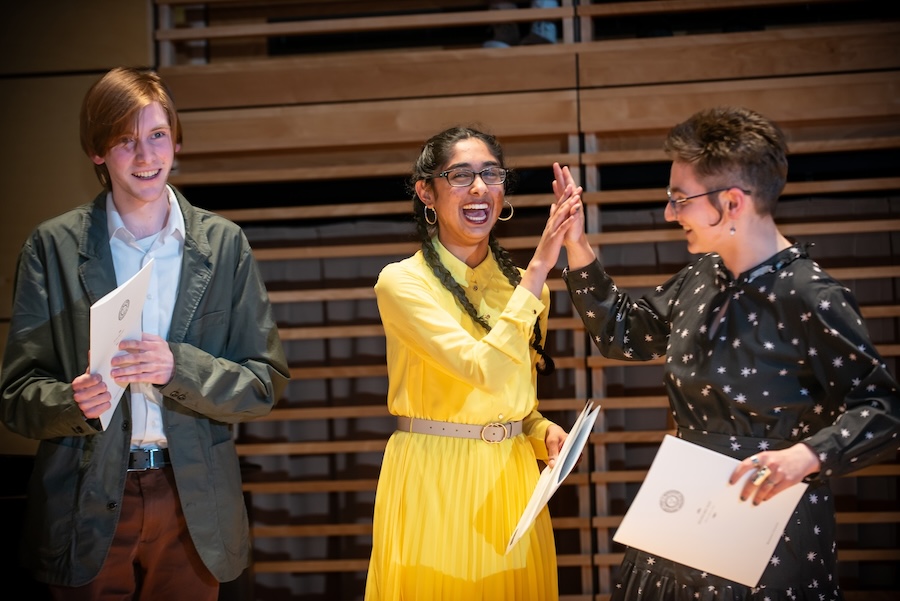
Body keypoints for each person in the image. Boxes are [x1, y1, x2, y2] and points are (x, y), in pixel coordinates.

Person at [554, 106, 900, 599]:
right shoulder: (702, 275)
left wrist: (806, 456)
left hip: (768, 519)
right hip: (681, 508)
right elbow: (623, 333)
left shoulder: (808, 294)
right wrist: (577, 244)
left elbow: (885, 410)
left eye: (680, 199)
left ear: (733, 201)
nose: (671, 213)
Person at [0, 66, 290, 599]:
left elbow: (263, 382)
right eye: (125, 141)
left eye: (157, 136)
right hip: (84, 496)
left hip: (191, 497)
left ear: (176, 142)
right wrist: (73, 401)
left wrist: (178, 367)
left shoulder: (224, 244)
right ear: (97, 152)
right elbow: (17, 398)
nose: (146, 157)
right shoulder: (53, 246)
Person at [364, 125, 582, 600]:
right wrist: (541, 268)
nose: (479, 187)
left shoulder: (527, 287)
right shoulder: (403, 284)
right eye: (460, 176)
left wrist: (538, 427)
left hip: (512, 477)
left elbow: (509, 391)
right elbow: (478, 367)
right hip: (432, 472)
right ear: (427, 192)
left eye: (490, 174)